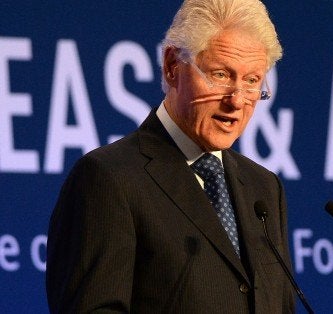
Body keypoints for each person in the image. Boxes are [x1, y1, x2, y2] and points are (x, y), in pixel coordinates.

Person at [46, 0, 295, 312]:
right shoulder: (109, 178)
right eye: (220, 74)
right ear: (172, 65)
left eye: (252, 81)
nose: (237, 101)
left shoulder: (264, 188)